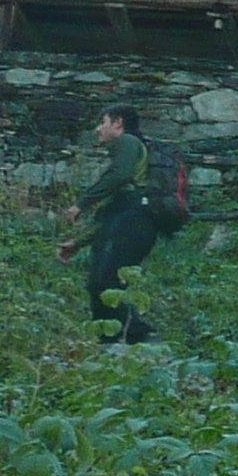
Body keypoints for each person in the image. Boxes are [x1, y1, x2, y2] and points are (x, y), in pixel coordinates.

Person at [61, 103, 159, 344]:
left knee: (106, 280)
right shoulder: (126, 187)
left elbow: (119, 175)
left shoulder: (127, 142)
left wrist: (82, 203)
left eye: (103, 122)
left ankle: (128, 340)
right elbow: (108, 220)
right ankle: (119, 340)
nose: (97, 129)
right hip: (133, 222)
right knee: (102, 280)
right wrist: (76, 243)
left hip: (135, 223)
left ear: (118, 123)